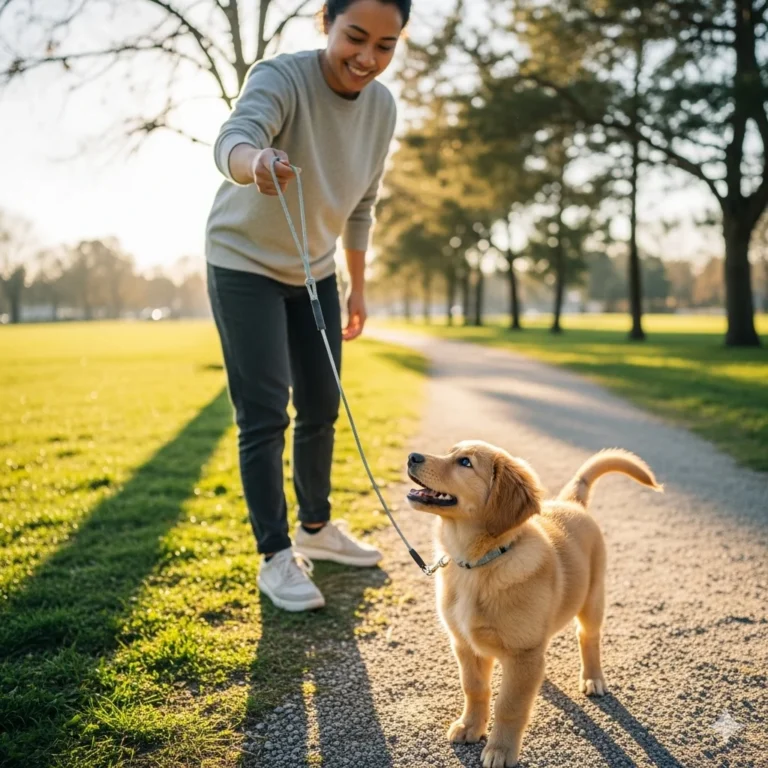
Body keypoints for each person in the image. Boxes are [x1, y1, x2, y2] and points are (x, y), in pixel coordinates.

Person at [205, 0, 410, 612]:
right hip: (243, 262)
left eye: (385, 45)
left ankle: (315, 531)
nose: (367, 58)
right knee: (266, 413)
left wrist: (358, 286)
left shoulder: (382, 108)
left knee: (322, 403)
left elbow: (362, 205)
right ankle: (275, 557)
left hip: (316, 268)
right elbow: (233, 140)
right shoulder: (281, 76)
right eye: (355, 37)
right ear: (327, 22)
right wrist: (256, 162)